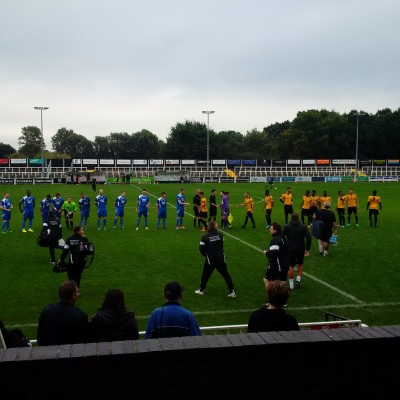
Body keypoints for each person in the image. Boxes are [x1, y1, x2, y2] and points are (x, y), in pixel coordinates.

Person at [37, 280, 89, 346]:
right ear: (73, 295)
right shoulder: (80, 316)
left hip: (50, 354)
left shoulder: (46, 311)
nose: (78, 294)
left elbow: (40, 339)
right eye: (77, 292)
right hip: (71, 355)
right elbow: (83, 343)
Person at [195, 220, 236, 298]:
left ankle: (201, 290)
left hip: (211, 259)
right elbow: (221, 245)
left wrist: (206, 254)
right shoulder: (220, 235)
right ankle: (232, 291)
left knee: (205, 275)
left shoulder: (204, 237)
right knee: (226, 275)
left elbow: (201, 248)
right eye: (216, 225)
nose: (217, 226)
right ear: (214, 226)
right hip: (221, 258)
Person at [282, 213, 311, 289]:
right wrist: (307, 248)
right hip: (300, 248)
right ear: (298, 218)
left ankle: (291, 285)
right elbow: (309, 238)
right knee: (300, 264)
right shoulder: (303, 227)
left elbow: (281, 236)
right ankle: (298, 280)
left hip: (290, 248)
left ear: (291, 218)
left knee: (290, 265)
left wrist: (285, 245)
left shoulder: (287, 227)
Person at [263, 222, 289, 288]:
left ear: (275, 230)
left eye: (271, 229)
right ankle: (282, 297)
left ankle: (272, 296)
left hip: (276, 266)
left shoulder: (275, 240)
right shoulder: (284, 238)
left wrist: (266, 253)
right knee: (282, 283)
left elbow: (273, 253)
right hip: (285, 265)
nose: (269, 230)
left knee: (267, 280)